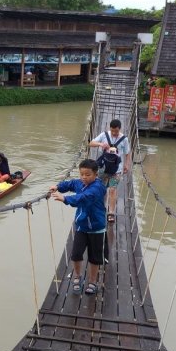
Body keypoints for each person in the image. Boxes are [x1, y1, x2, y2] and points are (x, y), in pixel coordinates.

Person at [50, 158, 107, 296]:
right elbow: (70, 184)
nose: (84, 177)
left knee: (94, 257)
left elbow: (85, 198)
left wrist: (66, 199)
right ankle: (77, 277)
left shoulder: (98, 188)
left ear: (95, 175)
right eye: (82, 174)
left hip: (96, 228)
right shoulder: (80, 183)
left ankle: (92, 282)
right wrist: (58, 187)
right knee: (76, 254)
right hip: (81, 226)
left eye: (88, 175)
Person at [88, 119, 131, 223]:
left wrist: (126, 164)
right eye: (112, 131)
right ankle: (101, 208)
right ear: (110, 129)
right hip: (103, 168)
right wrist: (100, 144)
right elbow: (91, 143)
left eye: (116, 131)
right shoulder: (104, 135)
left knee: (112, 189)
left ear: (119, 129)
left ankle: (111, 213)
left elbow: (128, 153)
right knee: (102, 189)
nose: (114, 133)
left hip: (117, 169)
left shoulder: (124, 139)